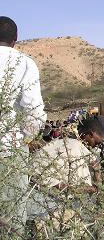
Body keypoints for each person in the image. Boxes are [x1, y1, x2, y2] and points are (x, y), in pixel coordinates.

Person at [0, 16, 46, 232]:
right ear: (15, 39)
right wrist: (26, 139)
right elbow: (33, 109)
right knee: (12, 217)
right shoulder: (24, 63)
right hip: (10, 150)